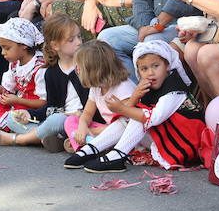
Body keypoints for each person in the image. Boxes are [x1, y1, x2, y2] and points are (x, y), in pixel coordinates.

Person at [68, 40, 205, 173]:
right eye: (144, 69)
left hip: (184, 143)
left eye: (155, 66)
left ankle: (117, 156)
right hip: (167, 136)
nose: (150, 73)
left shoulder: (174, 89)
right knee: (130, 117)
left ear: (167, 65)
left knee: (136, 116)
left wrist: (122, 108)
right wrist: (133, 100)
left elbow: (153, 118)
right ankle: (93, 149)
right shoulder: (150, 86)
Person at [0, 14, 93, 149]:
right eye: (71, 39)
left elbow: (93, 102)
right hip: (60, 118)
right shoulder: (51, 72)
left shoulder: (86, 66)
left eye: (79, 37)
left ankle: (18, 139)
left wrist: (74, 116)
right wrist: (30, 114)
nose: (78, 42)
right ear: (55, 45)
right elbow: (51, 106)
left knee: (56, 121)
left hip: (81, 120)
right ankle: (52, 139)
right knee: (12, 118)